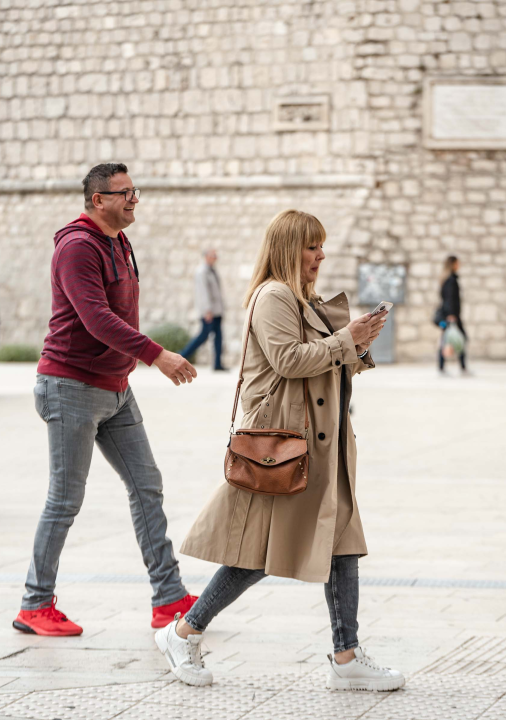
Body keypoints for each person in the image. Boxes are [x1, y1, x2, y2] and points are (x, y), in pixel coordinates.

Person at [159, 209, 405, 693]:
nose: (321, 255)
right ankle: (183, 632)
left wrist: (357, 346)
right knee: (254, 554)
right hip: (283, 449)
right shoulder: (273, 295)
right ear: (290, 248)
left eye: (322, 245)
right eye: (312, 246)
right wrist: (344, 340)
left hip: (320, 445)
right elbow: (289, 362)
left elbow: (324, 369)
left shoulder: (304, 299)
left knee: (343, 546)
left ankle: (346, 655)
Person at [14, 163, 200, 637]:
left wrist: (134, 366)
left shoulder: (119, 241)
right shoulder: (77, 247)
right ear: (98, 199)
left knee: (147, 485)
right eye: (125, 193)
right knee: (65, 499)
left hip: (116, 389)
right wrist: (158, 356)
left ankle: (168, 598)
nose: (134, 199)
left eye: (135, 190)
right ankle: (34, 605)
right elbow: (96, 319)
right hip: (70, 387)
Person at [177, 249, 226, 371]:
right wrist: (207, 310)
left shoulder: (212, 271)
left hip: (217, 310)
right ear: (206, 257)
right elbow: (202, 292)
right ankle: (181, 356)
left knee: (218, 337)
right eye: (213, 256)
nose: (215, 258)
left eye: (215, 256)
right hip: (209, 311)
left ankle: (217, 364)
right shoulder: (201, 272)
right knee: (203, 336)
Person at [437, 255, 467, 375]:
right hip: (451, 317)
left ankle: (443, 367)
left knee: (448, 339)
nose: (459, 265)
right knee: (458, 339)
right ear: (453, 264)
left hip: (449, 316)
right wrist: (451, 315)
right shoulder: (451, 280)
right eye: (457, 263)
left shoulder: (448, 279)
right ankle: (460, 367)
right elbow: (449, 299)